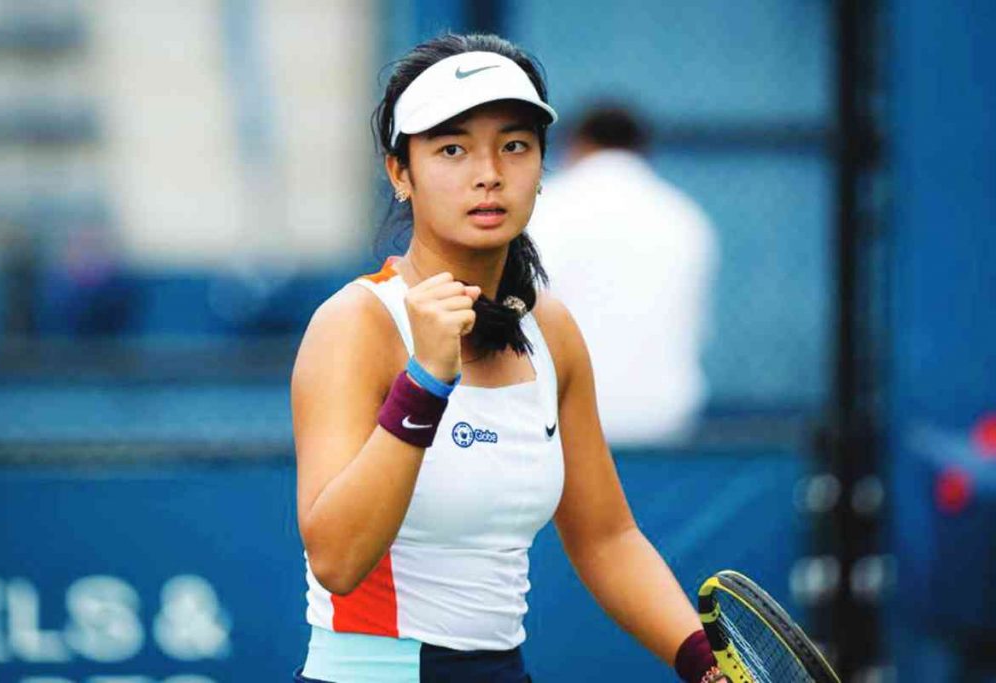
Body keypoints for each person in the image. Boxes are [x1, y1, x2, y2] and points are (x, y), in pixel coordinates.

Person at [291, 33, 726, 683]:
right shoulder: (355, 323)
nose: (488, 171)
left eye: (514, 145)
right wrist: (426, 381)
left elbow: (606, 536)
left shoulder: (550, 328)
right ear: (399, 172)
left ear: (543, 166)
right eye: (452, 148)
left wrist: (701, 661)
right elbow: (336, 556)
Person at [528, 103, 718, 444]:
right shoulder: (685, 218)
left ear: (577, 145)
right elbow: (697, 327)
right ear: (642, 149)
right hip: (663, 418)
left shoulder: (544, 210)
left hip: (560, 418)